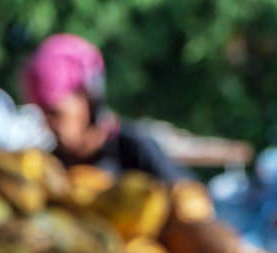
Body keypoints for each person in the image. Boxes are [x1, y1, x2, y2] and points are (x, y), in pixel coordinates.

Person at [24, 34, 186, 181]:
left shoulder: (134, 150)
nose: (48, 125)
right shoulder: (48, 169)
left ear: (89, 98)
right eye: (43, 114)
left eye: (55, 113)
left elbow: (193, 203)